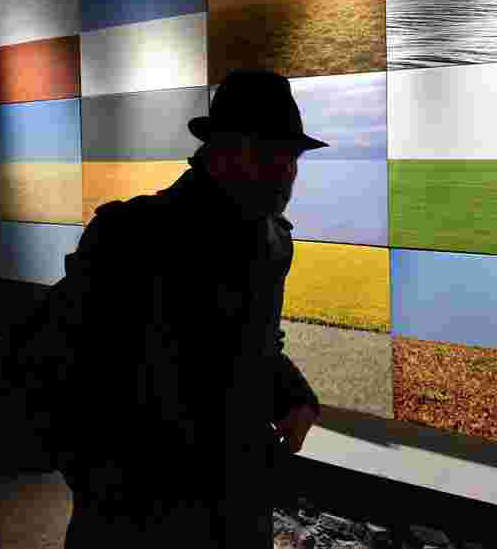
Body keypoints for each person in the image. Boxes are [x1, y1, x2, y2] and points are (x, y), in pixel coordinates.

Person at [52, 68, 329, 546]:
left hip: (239, 506)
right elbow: (57, 377)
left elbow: (255, 343)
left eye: (291, 157)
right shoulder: (131, 237)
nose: (286, 171)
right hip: (138, 519)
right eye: (267, 154)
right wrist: (110, 488)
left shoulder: (272, 242)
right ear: (218, 152)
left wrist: (294, 396)